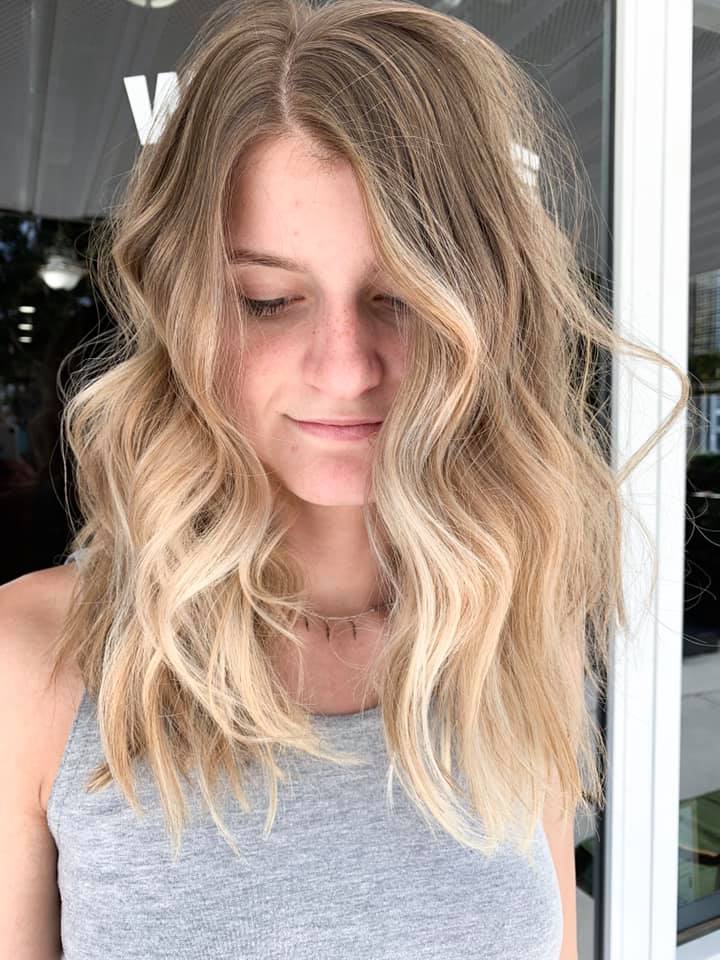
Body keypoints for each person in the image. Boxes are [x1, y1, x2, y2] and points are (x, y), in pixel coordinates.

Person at [0, 0, 690, 958]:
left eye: (400, 296)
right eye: (268, 300)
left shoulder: (510, 629)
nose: (345, 367)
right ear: (189, 311)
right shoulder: (36, 663)